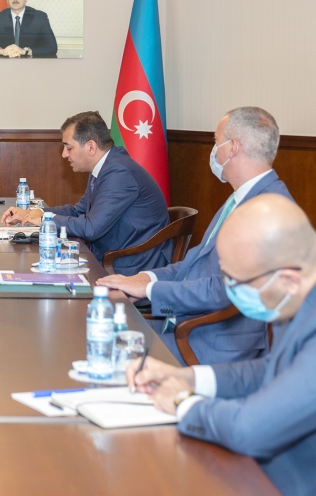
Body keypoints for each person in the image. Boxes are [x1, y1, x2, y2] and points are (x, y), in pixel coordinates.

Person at [127, 194, 316, 496]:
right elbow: (277, 367)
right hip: (290, 454)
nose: (231, 292)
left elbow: (248, 430)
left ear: (288, 279)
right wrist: (190, 378)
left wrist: (181, 402)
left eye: (236, 282)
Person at [99, 107, 291, 364]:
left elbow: (223, 291)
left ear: (233, 147)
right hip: (192, 326)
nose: (214, 150)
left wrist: (150, 290)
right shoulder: (243, 198)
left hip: (210, 342)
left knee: (99, 342)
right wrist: (146, 278)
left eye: (216, 141)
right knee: (95, 326)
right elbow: (197, 263)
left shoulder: (268, 209)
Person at [2, 112, 170, 274]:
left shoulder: (118, 172)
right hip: (113, 258)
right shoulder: (104, 167)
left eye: (68, 147)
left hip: (132, 266)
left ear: (91, 147)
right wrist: (33, 213)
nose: (64, 154)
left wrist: (45, 221)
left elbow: (91, 228)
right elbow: (79, 211)